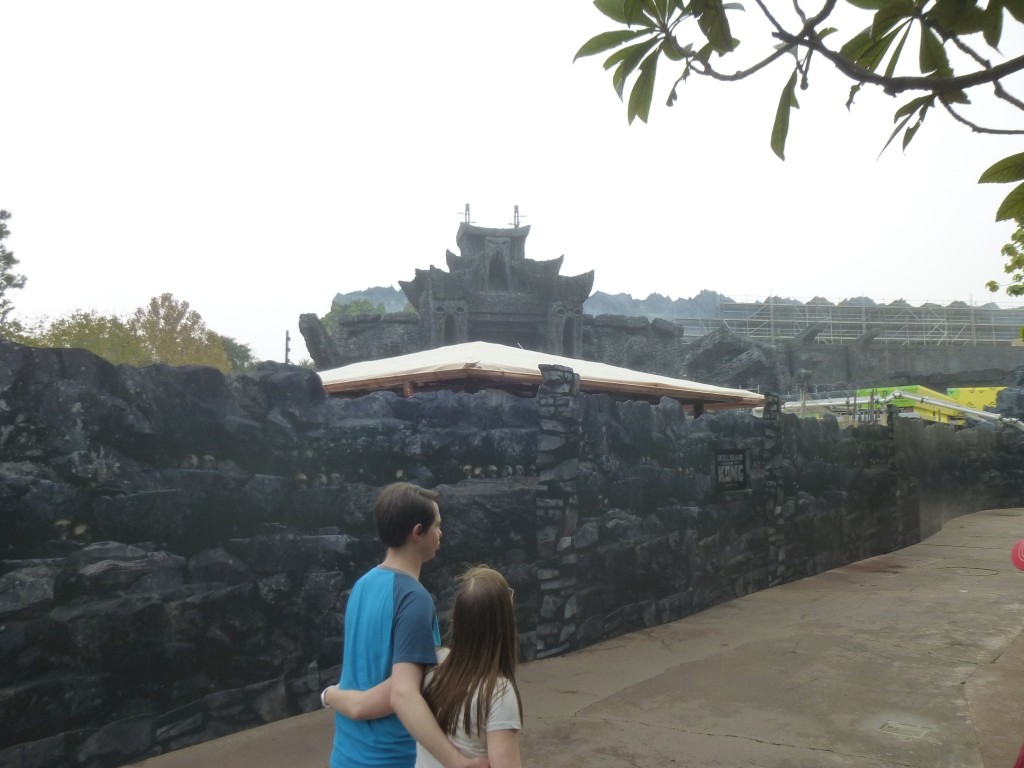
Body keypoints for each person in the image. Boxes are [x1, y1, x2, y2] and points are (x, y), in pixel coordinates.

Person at [325, 482, 488, 768]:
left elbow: (368, 674)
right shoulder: (414, 599)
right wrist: (458, 761)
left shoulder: (362, 585)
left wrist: (334, 696)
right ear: (417, 532)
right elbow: (403, 693)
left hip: (345, 755)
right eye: (436, 525)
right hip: (391, 759)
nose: (441, 533)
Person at [326, 566, 524, 768]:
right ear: (504, 619)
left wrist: (329, 694)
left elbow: (363, 704)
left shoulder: (432, 665)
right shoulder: (498, 693)